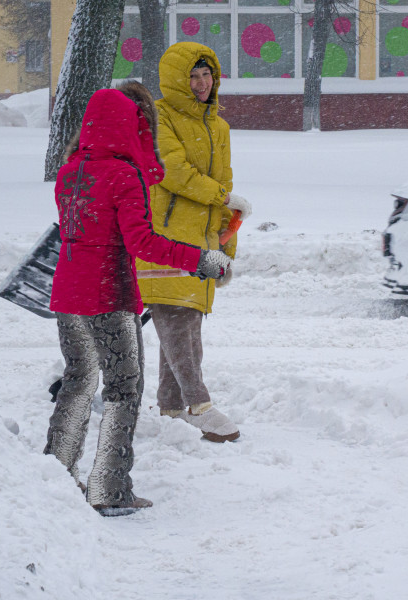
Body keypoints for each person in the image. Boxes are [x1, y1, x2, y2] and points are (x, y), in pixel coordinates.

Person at [44, 81, 232, 517]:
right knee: (123, 390)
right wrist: (199, 259)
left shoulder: (70, 171)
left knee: (78, 382)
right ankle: (108, 488)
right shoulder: (123, 175)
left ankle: (54, 475)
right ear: (128, 126)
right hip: (108, 294)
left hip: (68, 293)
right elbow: (141, 242)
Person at [136, 42, 252, 443]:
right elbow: (172, 171)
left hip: (201, 241)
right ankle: (199, 405)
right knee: (179, 327)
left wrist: (224, 250)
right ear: (176, 80)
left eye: (207, 75)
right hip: (164, 238)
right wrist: (221, 196)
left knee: (185, 324)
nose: (202, 83)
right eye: (193, 76)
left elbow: (224, 187)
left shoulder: (219, 126)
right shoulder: (159, 117)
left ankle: (171, 408)